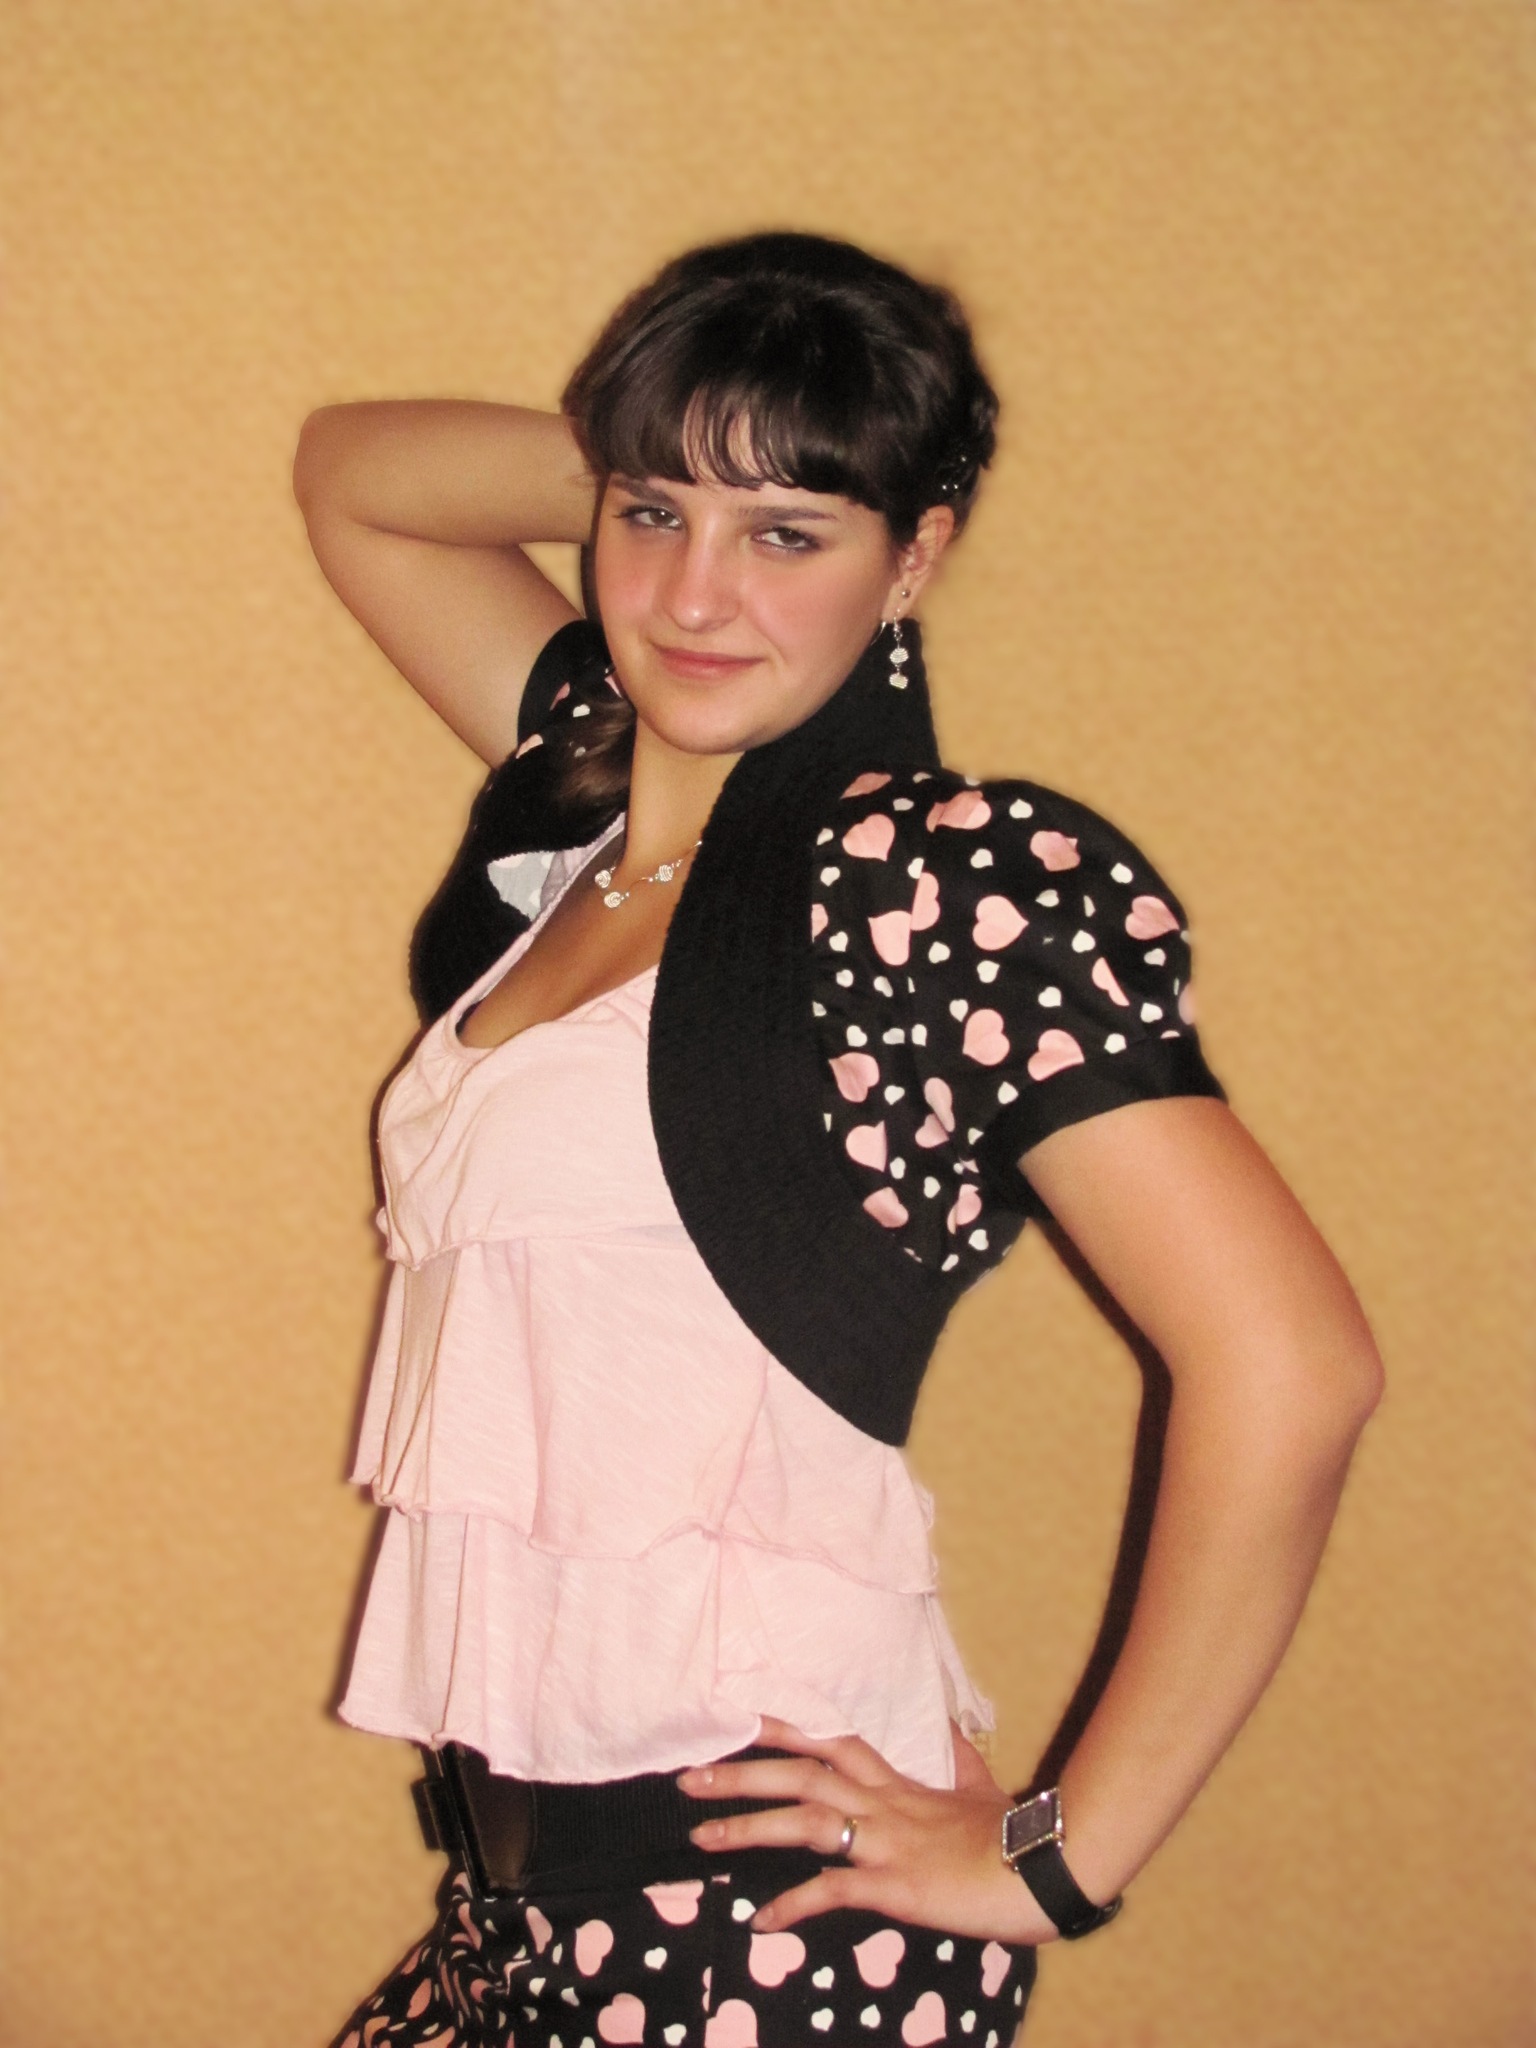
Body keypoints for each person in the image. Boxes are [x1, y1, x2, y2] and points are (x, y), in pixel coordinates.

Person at [294, 232, 1382, 2048]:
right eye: (652, 517)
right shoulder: (585, 795)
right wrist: (719, 441)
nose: (693, 596)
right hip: (516, 1916)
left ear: (916, 555)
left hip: (757, 1931)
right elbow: (354, 478)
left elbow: (1294, 1369)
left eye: (789, 536)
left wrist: (1053, 1862)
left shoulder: (929, 877)